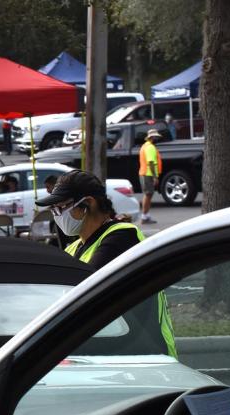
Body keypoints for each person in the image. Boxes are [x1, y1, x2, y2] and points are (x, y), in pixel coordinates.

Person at [35, 169, 176, 355]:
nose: (57, 215)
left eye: (61, 207)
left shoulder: (122, 236)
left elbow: (83, 291)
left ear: (88, 203)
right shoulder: (74, 247)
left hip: (145, 355)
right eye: (53, 210)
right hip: (111, 353)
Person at [139, 129, 163, 225]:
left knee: (148, 194)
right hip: (148, 174)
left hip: (145, 173)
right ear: (151, 137)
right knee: (148, 194)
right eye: (156, 137)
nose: (157, 138)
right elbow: (151, 162)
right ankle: (144, 216)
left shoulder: (145, 146)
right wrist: (155, 176)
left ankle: (146, 215)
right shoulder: (150, 147)